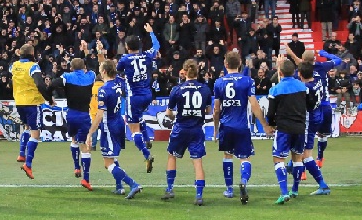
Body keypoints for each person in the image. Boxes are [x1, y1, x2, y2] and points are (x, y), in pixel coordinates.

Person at [213, 51, 272, 204]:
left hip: (226, 126)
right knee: (245, 157)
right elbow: (254, 105)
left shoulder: (219, 82)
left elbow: (216, 110)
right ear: (239, 64)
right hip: (241, 126)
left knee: (227, 155)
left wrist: (215, 129)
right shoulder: (247, 81)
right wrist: (264, 124)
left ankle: (229, 189)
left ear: (226, 65)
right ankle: (244, 181)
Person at [87, 60, 142, 199]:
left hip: (109, 127)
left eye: (100, 68)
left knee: (108, 163)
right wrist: (100, 53)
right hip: (119, 123)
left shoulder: (103, 90)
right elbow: (107, 64)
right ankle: (119, 187)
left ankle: (133, 184)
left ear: (104, 71)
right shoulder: (119, 82)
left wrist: (90, 133)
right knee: (113, 157)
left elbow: (100, 114)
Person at [162, 59, 212, 205]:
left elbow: (169, 112)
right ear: (198, 72)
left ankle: (170, 189)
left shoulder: (177, 89)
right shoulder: (205, 89)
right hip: (197, 129)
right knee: (197, 162)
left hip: (180, 128)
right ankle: (199, 195)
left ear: (184, 72)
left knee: (172, 156)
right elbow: (208, 110)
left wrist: (175, 115)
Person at [266, 56, 315, 205]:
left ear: (280, 73)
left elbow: (270, 113)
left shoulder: (275, 89)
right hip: (300, 128)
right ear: (294, 72)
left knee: (278, 159)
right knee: (297, 158)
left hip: (284, 129)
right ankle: (295, 189)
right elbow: (311, 105)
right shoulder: (303, 87)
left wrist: (272, 124)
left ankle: (284, 192)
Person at [285, 47, 342, 168]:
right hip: (325, 106)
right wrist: (325, 53)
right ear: (314, 59)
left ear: (303, 60)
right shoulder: (323, 66)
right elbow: (338, 60)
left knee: (303, 137)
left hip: (309, 109)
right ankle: (320, 157)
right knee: (323, 135)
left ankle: (297, 164)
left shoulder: (300, 73)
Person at [116, 22, 160, 173]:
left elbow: (117, 71)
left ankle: (146, 154)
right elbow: (157, 46)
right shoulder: (147, 55)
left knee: (133, 128)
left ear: (127, 47)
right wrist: (151, 32)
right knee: (139, 116)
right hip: (147, 94)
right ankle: (147, 139)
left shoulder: (124, 59)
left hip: (133, 96)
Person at [48, 57, 96, 191]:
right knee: (85, 147)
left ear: (71, 68)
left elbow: (52, 84)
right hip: (84, 115)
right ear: (84, 67)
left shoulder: (67, 76)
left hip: (71, 114)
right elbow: (94, 68)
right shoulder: (91, 76)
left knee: (74, 139)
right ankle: (86, 179)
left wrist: (49, 98)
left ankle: (76, 167)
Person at [10, 43, 55, 179]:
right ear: (32, 54)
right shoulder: (33, 67)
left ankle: (21, 153)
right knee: (35, 134)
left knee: (26, 127)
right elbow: (40, 84)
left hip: (19, 102)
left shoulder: (14, 66)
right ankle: (28, 164)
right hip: (32, 102)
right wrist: (48, 98)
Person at [296, 62, 332, 196]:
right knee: (301, 152)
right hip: (316, 117)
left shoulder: (305, 88)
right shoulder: (317, 81)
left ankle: (322, 184)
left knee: (306, 156)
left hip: (308, 121)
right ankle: (292, 167)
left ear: (300, 74)